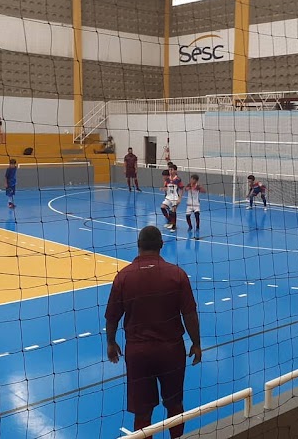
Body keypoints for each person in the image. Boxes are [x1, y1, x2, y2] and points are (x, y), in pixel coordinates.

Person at [105, 226, 201, 439]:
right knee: (175, 404)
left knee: (142, 411)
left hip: (138, 353)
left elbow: (112, 316)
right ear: (161, 245)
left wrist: (111, 343)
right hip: (171, 351)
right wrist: (196, 343)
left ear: (138, 246)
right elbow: (190, 314)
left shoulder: (123, 277)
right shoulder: (177, 274)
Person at [161, 165, 184, 230]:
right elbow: (166, 187)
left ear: (175, 171)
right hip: (168, 197)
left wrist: (180, 198)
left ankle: (174, 226)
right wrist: (164, 189)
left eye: (172, 170)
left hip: (175, 197)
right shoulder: (167, 179)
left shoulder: (178, 179)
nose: (170, 171)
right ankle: (170, 221)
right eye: (169, 170)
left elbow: (181, 189)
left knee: (173, 210)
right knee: (162, 207)